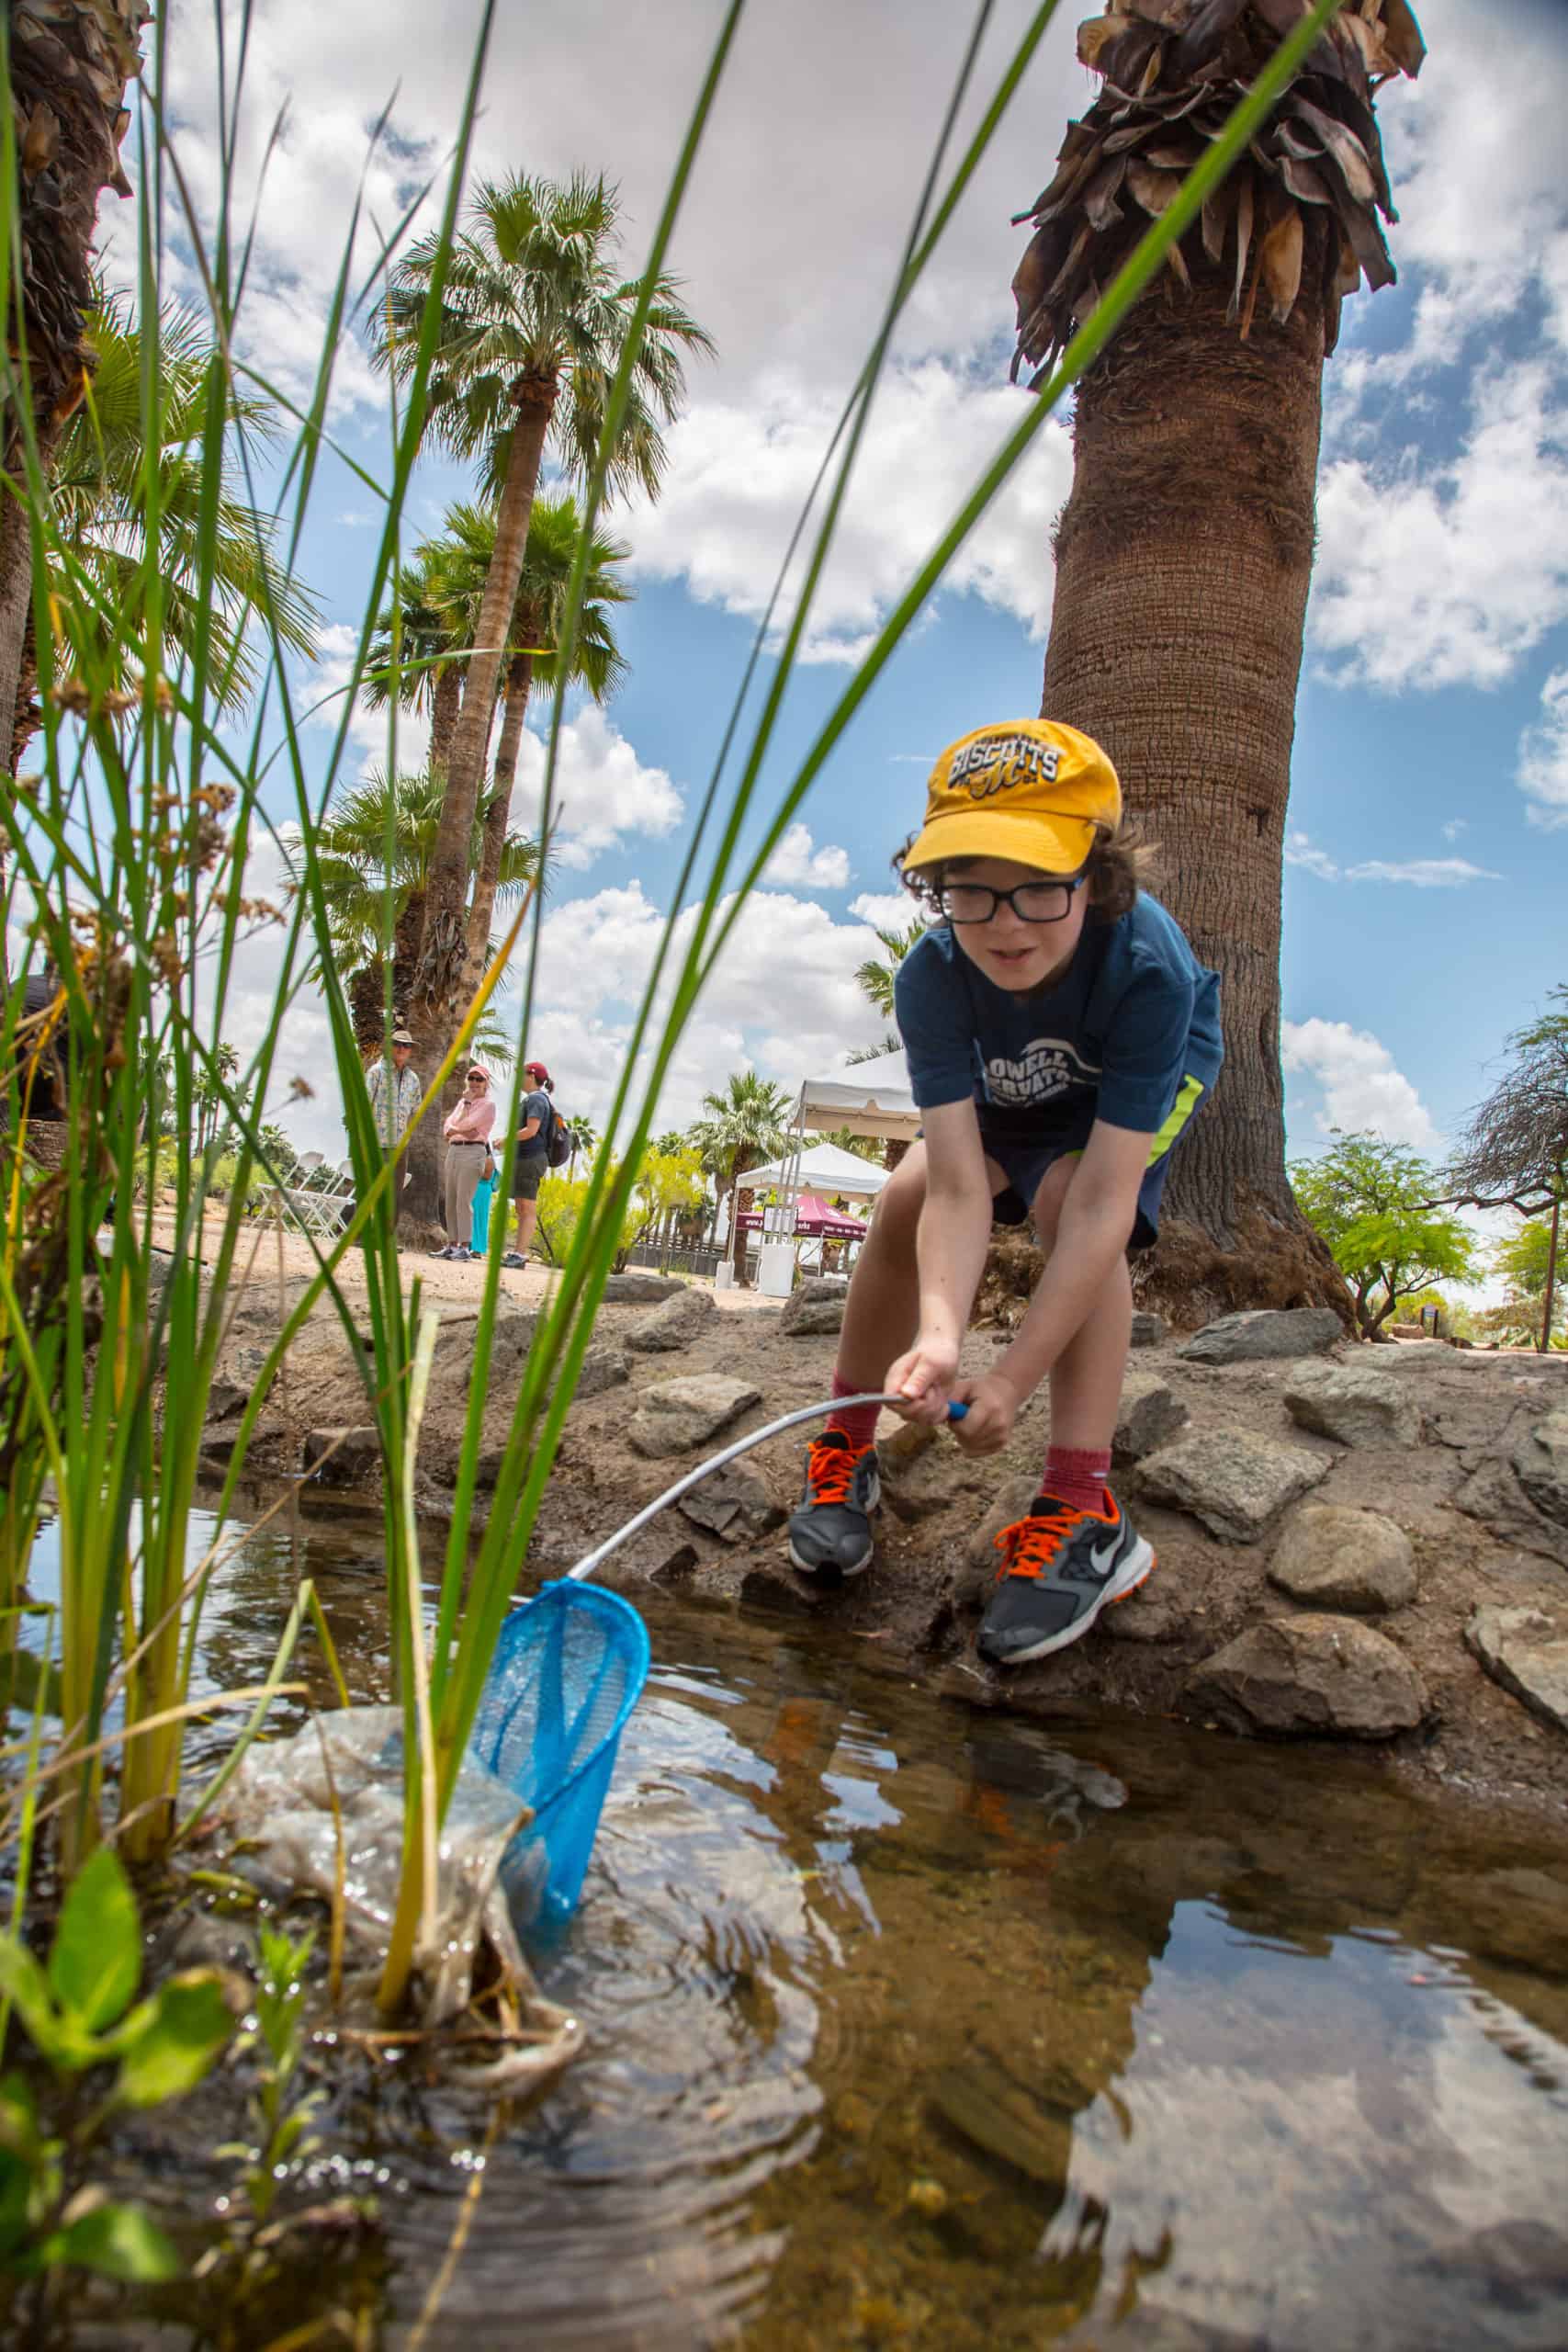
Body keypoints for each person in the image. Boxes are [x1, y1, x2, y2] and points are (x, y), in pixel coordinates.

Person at [784, 718, 1223, 1667]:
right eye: (969, 891)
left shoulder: (1149, 969)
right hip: (1006, 1084)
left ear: (1097, 877)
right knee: (902, 1195)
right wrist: (941, 1339)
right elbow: (952, 1182)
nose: (1004, 921)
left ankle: (1080, 1503)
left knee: (1068, 1200)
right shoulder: (933, 979)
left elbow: (1108, 1202)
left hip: (1115, 1097)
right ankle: (844, 1447)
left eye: (1037, 886)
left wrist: (1012, 1379)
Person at [436, 1063, 496, 1260]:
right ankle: (451, 1244)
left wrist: (459, 1126)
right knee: (450, 1199)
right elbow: (448, 1126)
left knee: (463, 1199)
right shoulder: (462, 1103)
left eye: (479, 1079)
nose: (474, 1083)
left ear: (486, 1084)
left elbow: (468, 1124)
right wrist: (457, 1128)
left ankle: (464, 1246)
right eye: (471, 1078)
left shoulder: (488, 1105)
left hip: (473, 1152)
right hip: (454, 1150)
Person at [502, 1058, 554, 1269]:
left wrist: (506, 1139)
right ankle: (517, 1252)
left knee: (527, 1207)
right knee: (522, 1207)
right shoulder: (536, 1099)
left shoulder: (536, 1100)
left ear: (531, 1076)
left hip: (531, 1158)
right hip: (525, 1158)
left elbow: (531, 1130)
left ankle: (520, 1254)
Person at [364, 1028, 423, 1203]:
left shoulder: (413, 1079)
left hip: (399, 1148)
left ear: (410, 1050)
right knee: (369, 1195)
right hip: (376, 1144)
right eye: (397, 1044)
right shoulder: (376, 1072)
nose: (401, 1049)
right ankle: (362, 1230)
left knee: (394, 1199)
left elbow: (416, 1111)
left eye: (406, 1046)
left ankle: (388, 1231)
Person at [470, 1146, 498, 1258]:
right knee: (472, 1218)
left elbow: (486, 1176)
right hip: (476, 1187)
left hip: (481, 1189)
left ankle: (477, 1249)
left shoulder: (489, 1159)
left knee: (479, 1219)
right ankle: (470, 1246)